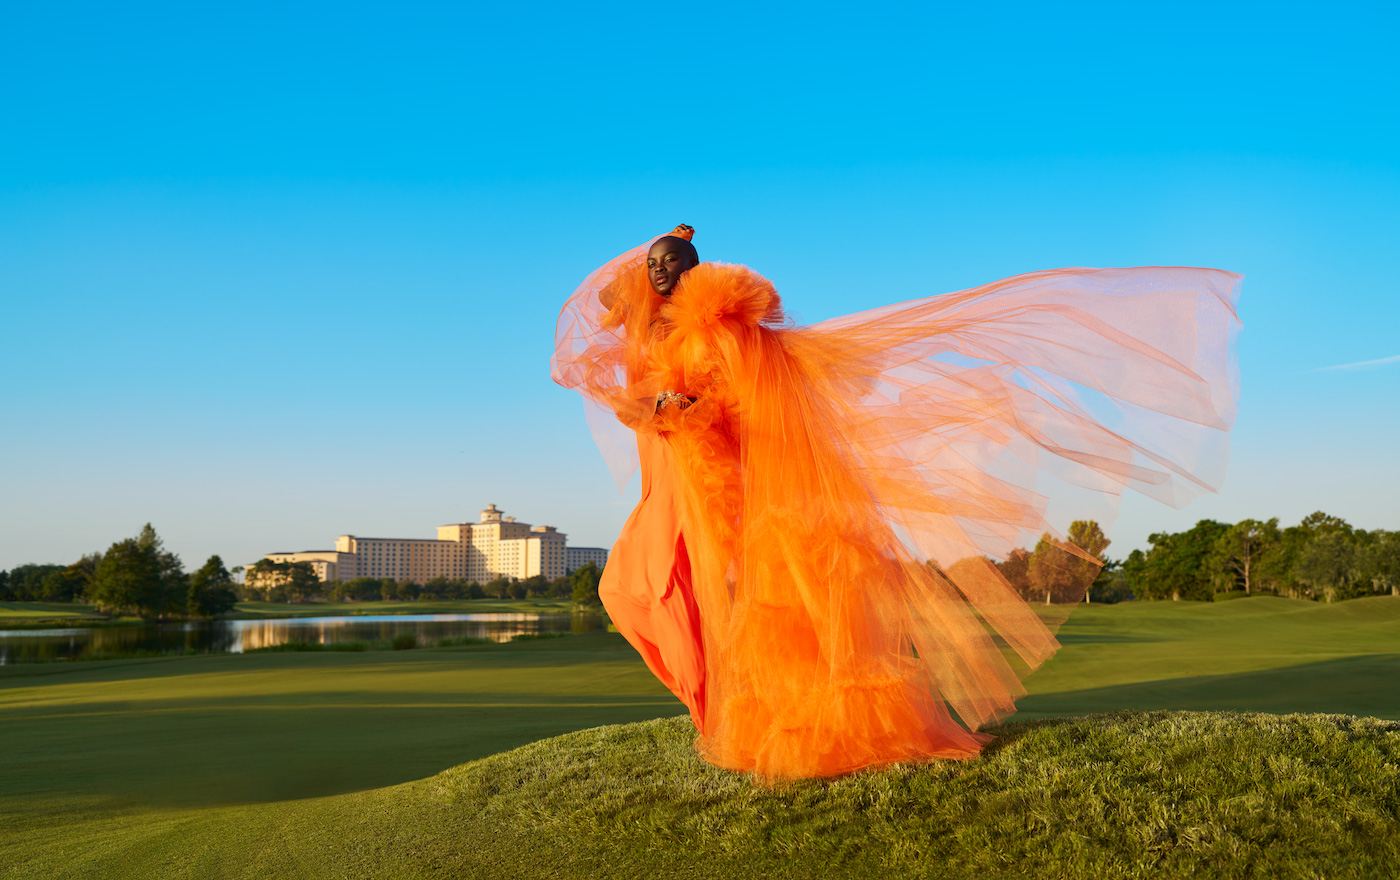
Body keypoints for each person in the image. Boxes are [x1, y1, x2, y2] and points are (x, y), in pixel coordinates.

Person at [552, 225, 1240, 780]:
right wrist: (657, 394)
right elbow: (628, 356)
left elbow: (731, 397)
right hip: (680, 483)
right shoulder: (658, 325)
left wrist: (678, 404)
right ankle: (714, 709)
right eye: (657, 265)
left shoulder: (716, 323)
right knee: (637, 591)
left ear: (697, 270)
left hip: (718, 484)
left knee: (664, 593)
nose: (663, 272)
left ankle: (745, 717)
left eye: (676, 262)